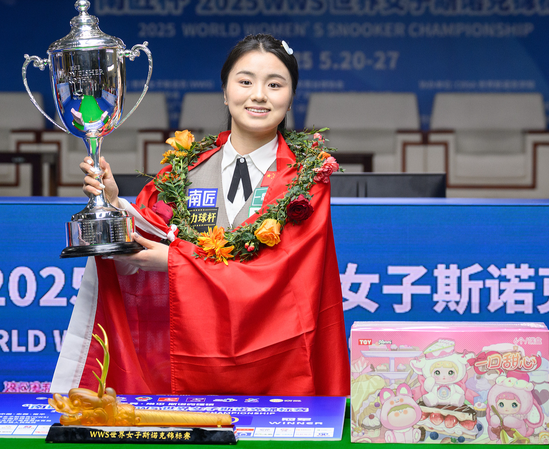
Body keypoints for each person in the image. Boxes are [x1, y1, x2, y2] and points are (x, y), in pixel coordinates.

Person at [51, 34, 349, 396]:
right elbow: (143, 242)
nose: (259, 95)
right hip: (190, 361)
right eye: (245, 81)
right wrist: (113, 205)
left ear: (291, 97)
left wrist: (175, 262)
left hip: (276, 367)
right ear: (225, 92)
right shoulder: (183, 170)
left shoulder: (306, 179)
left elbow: (285, 278)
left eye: (275, 84)